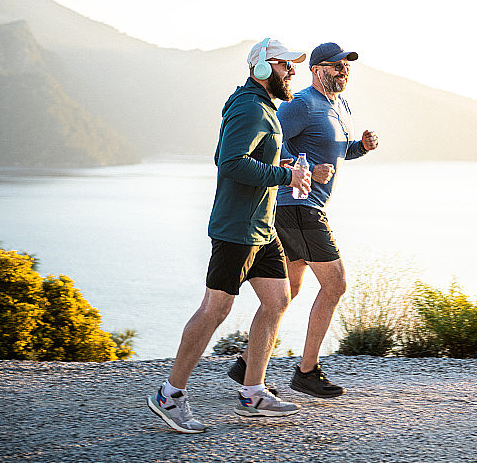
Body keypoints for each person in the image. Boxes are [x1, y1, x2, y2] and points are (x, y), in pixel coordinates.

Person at [147, 38, 312, 433]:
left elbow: (249, 157)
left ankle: (252, 392)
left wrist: (279, 162)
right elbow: (230, 162)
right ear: (261, 68)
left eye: (292, 66)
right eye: (285, 65)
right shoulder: (249, 107)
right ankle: (168, 395)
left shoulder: (264, 108)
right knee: (215, 310)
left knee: (277, 300)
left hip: (262, 228)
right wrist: (286, 175)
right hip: (236, 230)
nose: (292, 72)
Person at [227, 42, 378, 398]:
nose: (343, 71)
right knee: (336, 285)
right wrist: (306, 168)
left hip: (305, 207)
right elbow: (271, 144)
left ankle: (246, 364)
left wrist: (361, 147)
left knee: (289, 290)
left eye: (347, 67)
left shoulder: (339, 106)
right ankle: (306, 372)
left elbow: (334, 153)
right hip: (296, 205)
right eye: (337, 66)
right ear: (317, 69)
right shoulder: (302, 104)